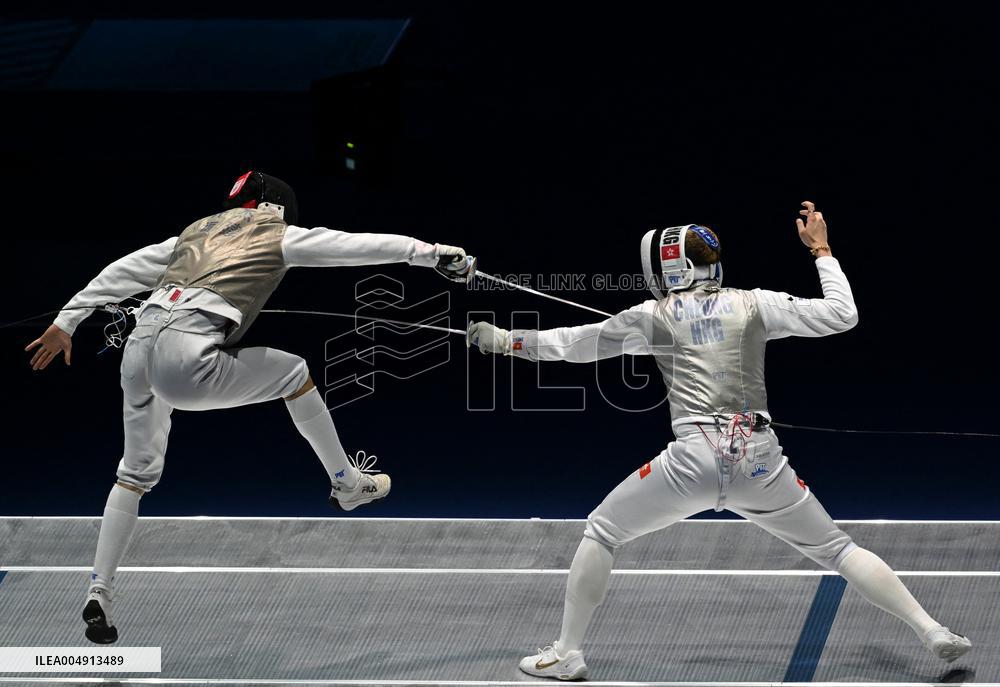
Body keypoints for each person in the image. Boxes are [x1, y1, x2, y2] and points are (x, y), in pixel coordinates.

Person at [467, 201, 971, 680]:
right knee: (837, 549)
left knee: (602, 531)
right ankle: (933, 630)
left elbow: (573, 344)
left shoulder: (652, 317)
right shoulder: (755, 303)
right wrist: (821, 250)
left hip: (691, 463)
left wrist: (507, 341)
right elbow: (843, 314)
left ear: (670, 271)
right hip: (761, 462)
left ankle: (567, 654)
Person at [26, 170, 473, 645]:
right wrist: (432, 253)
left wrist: (66, 322)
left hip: (137, 352)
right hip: (185, 359)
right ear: (276, 207)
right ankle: (346, 483)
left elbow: (120, 272)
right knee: (295, 374)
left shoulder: (192, 234)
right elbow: (352, 246)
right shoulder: (277, 234)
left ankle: (100, 590)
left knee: (134, 474)